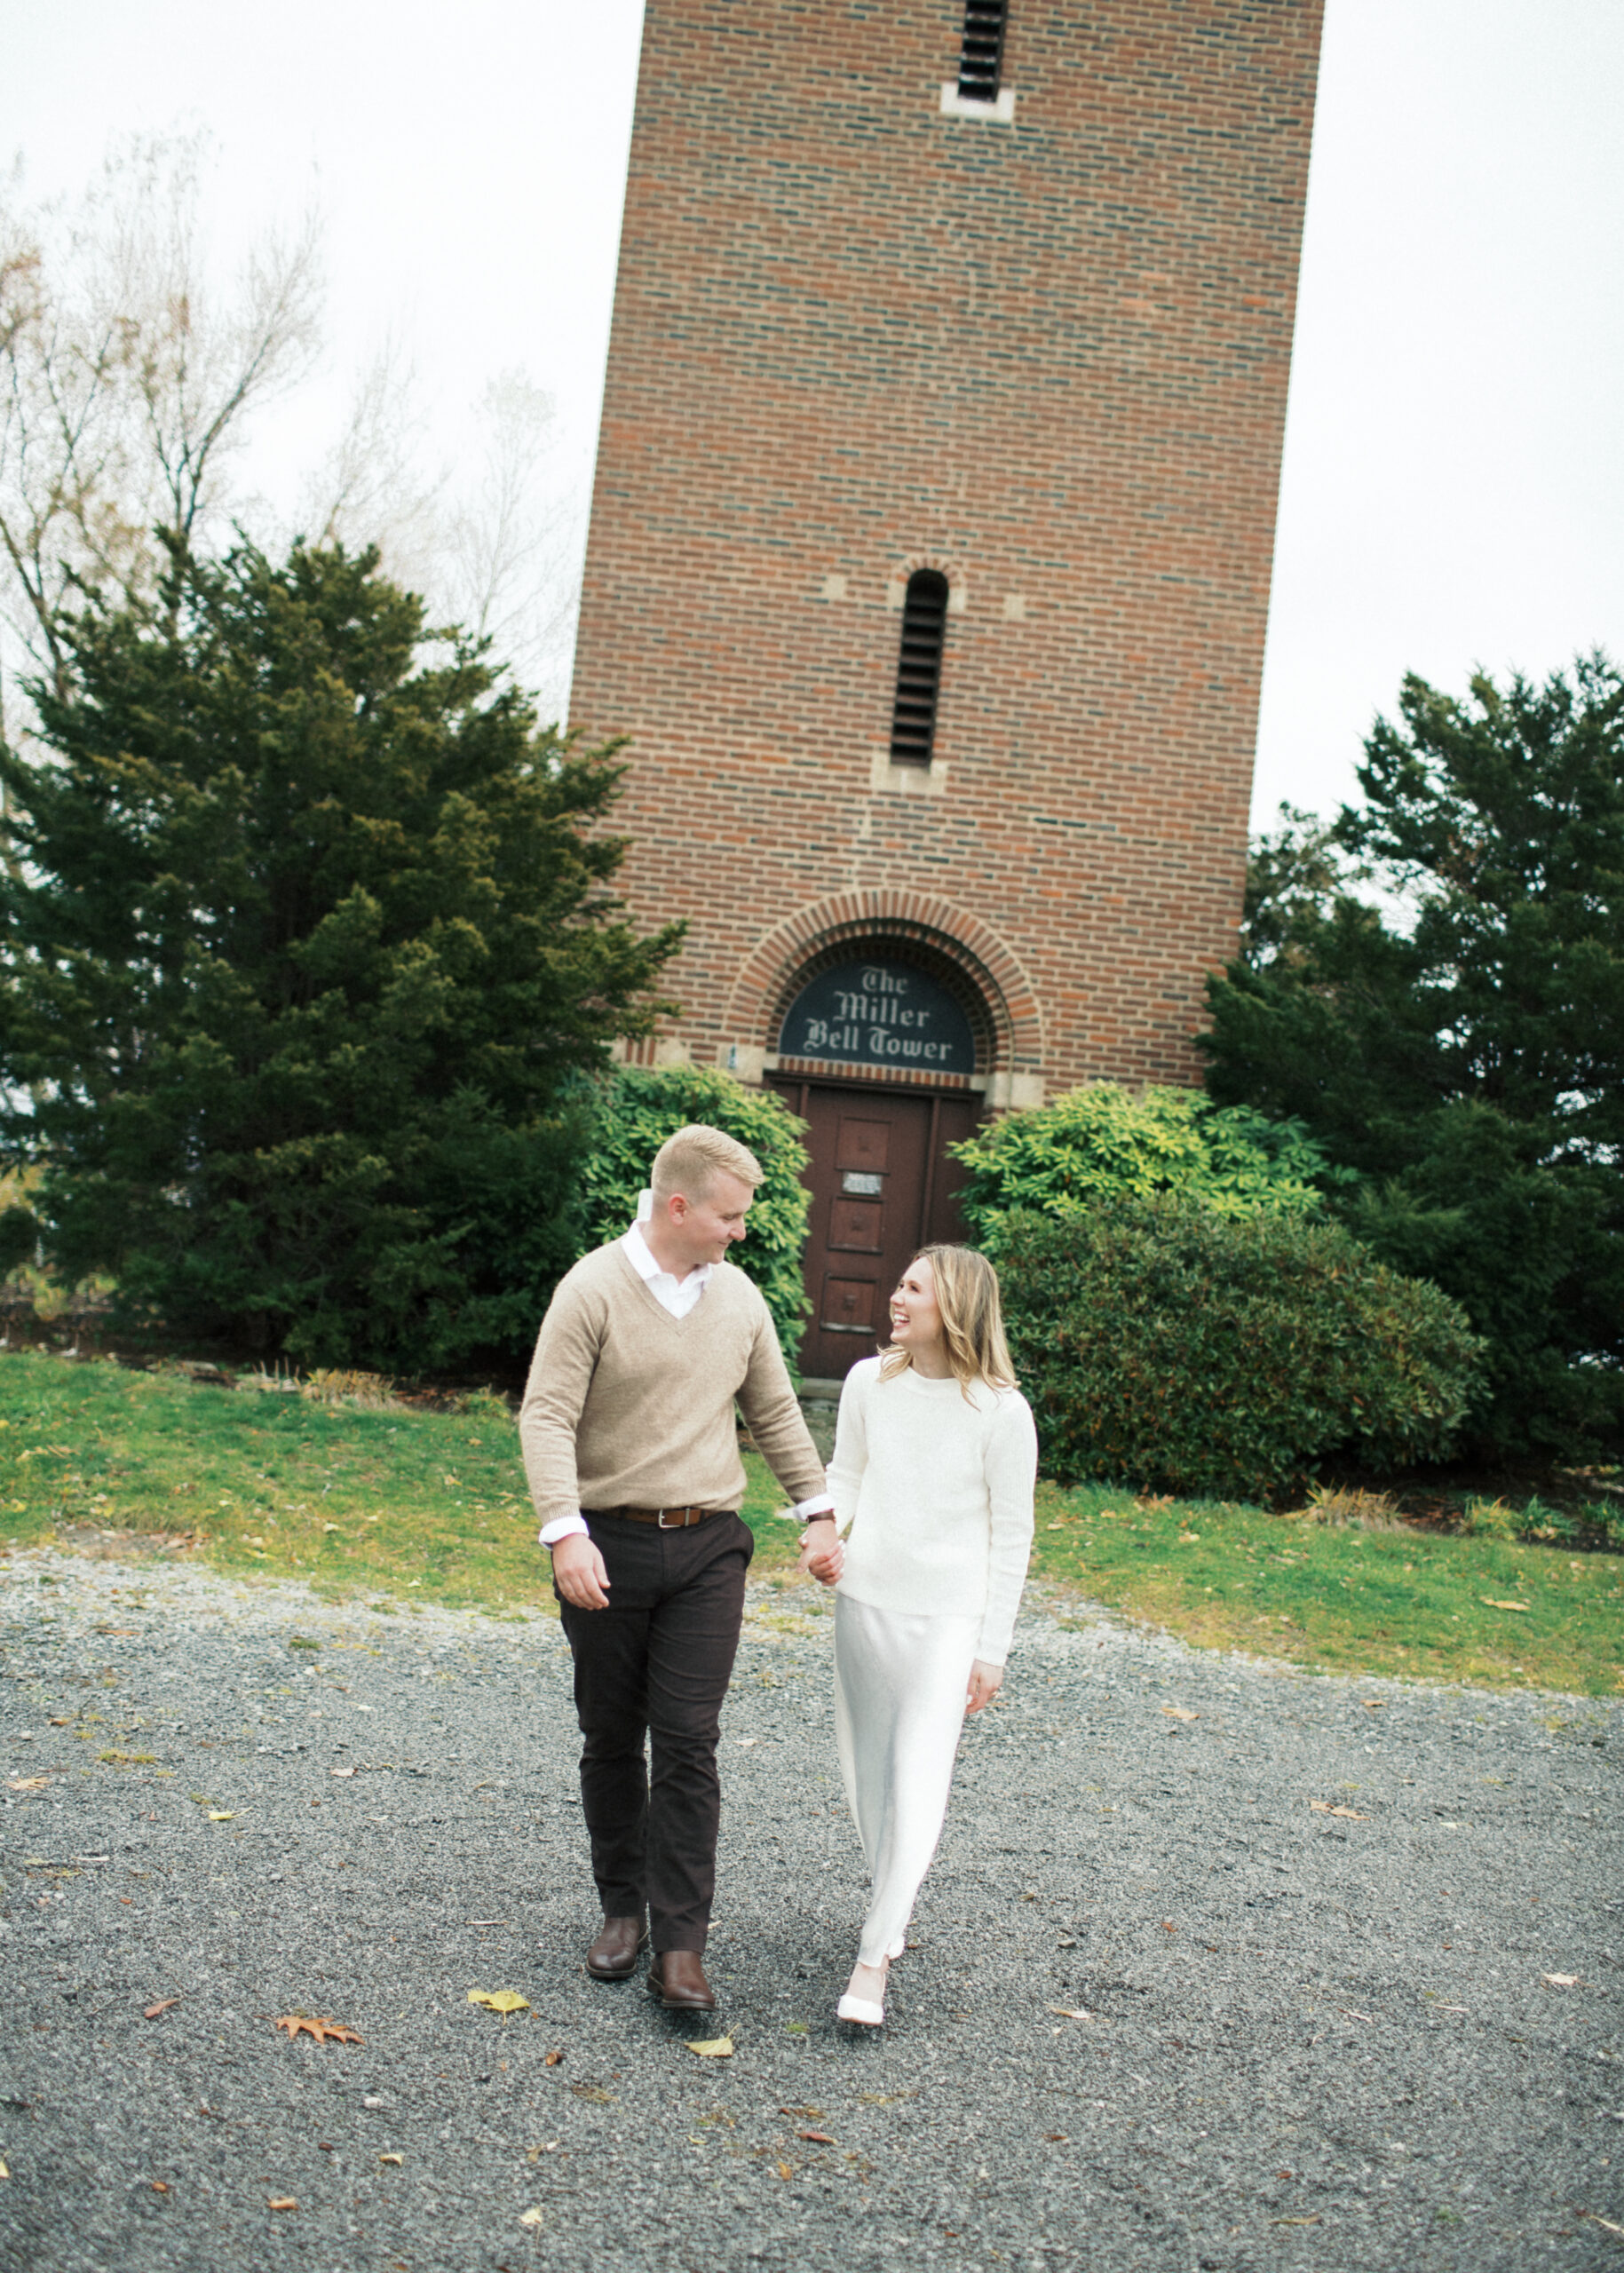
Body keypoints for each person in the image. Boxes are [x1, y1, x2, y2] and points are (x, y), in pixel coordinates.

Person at [519, 1123, 842, 2013]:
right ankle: (621, 1911)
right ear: (678, 1205)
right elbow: (546, 1416)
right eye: (729, 1215)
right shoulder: (591, 1289)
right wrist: (564, 1531)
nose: (740, 1231)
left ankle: (682, 1945)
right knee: (612, 1735)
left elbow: (775, 1414)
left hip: (706, 1546)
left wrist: (817, 1513)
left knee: (689, 1739)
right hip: (607, 1548)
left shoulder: (738, 1300)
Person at [823, 1244, 1037, 2027]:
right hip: (865, 1604)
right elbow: (844, 1474)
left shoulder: (1002, 1412)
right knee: (868, 1779)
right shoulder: (865, 1383)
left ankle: (873, 1957)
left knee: (918, 1779)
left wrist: (992, 1649)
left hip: (947, 1622)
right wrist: (822, 1533)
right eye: (900, 1284)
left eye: (913, 1288)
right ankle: (894, 1904)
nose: (895, 1298)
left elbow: (1012, 1537)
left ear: (954, 1306)